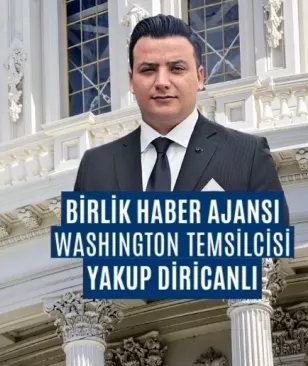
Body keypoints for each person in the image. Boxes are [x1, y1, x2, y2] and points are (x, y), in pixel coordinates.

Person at [72, 14, 288, 222]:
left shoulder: (246, 157)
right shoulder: (95, 167)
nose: (162, 82)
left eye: (176, 68)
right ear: (131, 81)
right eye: (148, 70)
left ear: (199, 77)